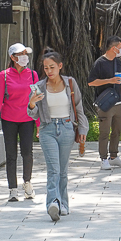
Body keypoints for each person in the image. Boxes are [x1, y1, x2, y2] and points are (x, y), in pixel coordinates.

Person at [27, 49, 88, 222]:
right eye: (46, 68)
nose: (49, 71)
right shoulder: (39, 86)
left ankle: (64, 203)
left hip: (67, 128)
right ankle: (52, 202)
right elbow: (33, 114)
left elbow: (79, 108)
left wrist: (82, 130)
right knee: (53, 169)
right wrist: (31, 104)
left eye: (52, 67)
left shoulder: (70, 83)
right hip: (47, 129)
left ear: (60, 66)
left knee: (62, 170)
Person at [0, 43, 39, 202]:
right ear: (13, 58)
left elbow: (38, 100)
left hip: (27, 119)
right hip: (9, 119)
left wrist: (39, 124)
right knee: (11, 155)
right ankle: (13, 189)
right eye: (21, 54)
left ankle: (27, 183)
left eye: (26, 54)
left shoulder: (33, 75)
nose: (25, 57)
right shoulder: (4, 75)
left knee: (27, 153)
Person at [88, 36, 121, 171]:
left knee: (117, 130)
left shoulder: (117, 63)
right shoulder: (99, 63)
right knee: (104, 132)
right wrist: (109, 80)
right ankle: (103, 159)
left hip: (118, 103)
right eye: (120, 47)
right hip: (104, 104)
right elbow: (91, 82)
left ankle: (114, 157)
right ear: (113, 48)